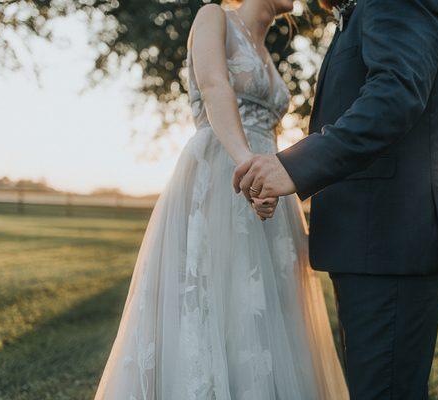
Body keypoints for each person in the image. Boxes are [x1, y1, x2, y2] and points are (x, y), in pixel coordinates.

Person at [94, 1, 348, 398]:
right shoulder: (214, 17)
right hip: (224, 174)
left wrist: (274, 177)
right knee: (217, 298)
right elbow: (214, 87)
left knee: (269, 312)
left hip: (270, 186)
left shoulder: (267, 49)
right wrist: (249, 168)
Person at [234, 0, 438, 398]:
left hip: (391, 238)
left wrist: (294, 166)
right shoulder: (360, 13)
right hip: (372, 241)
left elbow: (393, 96)